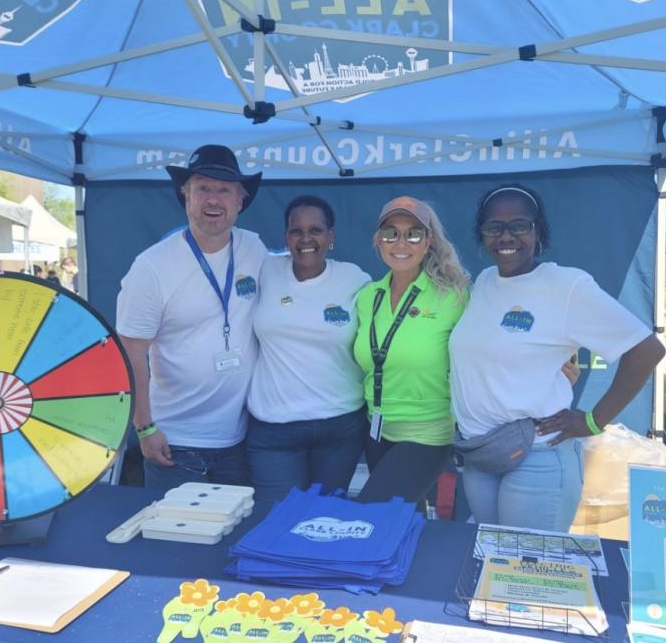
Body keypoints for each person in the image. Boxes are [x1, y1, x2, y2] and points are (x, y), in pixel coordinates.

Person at [449, 184, 665, 532]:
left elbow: (647, 350)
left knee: (528, 574)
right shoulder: (484, 282)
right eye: (494, 227)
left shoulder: (566, 286)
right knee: (492, 562)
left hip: (537, 456)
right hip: (481, 455)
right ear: (482, 234)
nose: (507, 236)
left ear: (538, 230)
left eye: (519, 225)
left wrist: (594, 421)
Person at [116, 145, 266, 489]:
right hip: (174, 442)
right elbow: (131, 352)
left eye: (224, 190)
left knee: (232, 535)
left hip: (238, 442)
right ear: (185, 197)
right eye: (203, 188)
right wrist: (145, 428)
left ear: (240, 201)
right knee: (174, 540)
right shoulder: (151, 267)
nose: (214, 200)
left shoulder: (254, 249)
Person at [246, 195, 371, 501]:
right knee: (275, 521)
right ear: (286, 237)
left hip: (339, 427)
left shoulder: (355, 279)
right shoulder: (265, 271)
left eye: (315, 230)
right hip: (274, 429)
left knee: (324, 523)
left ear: (331, 236)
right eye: (296, 231)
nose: (305, 239)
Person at [352, 196, 470, 506]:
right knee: (401, 524)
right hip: (376, 431)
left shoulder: (454, 297)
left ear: (428, 241)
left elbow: (493, 342)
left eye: (413, 233)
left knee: (373, 514)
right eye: (391, 233)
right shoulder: (368, 296)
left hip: (427, 434)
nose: (401, 242)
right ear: (378, 240)